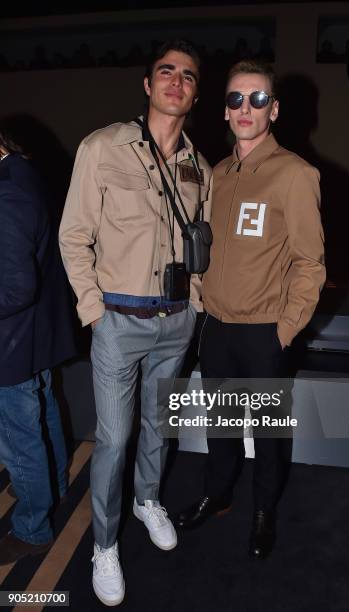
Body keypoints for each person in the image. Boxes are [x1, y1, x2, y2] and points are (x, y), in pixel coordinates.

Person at [59, 40, 211, 606]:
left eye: (188, 75)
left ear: (195, 93)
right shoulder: (102, 148)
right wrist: (94, 311)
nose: (176, 81)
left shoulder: (198, 165)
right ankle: (104, 543)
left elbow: (202, 246)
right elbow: (74, 235)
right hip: (118, 321)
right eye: (166, 72)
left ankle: (148, 500)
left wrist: (194, 304)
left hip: (176, 322)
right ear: (148, 85)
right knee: (115, 438)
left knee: (158, 427)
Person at [176, 59, 325, 559]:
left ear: (274, 109)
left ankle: (264, 511)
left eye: (258, 98)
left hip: (264, 333)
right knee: (218, 427)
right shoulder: (217, 174)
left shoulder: (296, 174)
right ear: (224, 109)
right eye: (237, 98)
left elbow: (310, 263)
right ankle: (216, 495)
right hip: (216, 329)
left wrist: (282, 331)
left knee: (267, 437)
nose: (246, 108)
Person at [0, 126, 77, 565]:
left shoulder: (8, 194)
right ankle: (53, 483)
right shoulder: (24, 174)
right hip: (33, 335)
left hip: (10, 343)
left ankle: (33, 529)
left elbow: (13, 289)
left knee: (19, 438)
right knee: (43, 410)